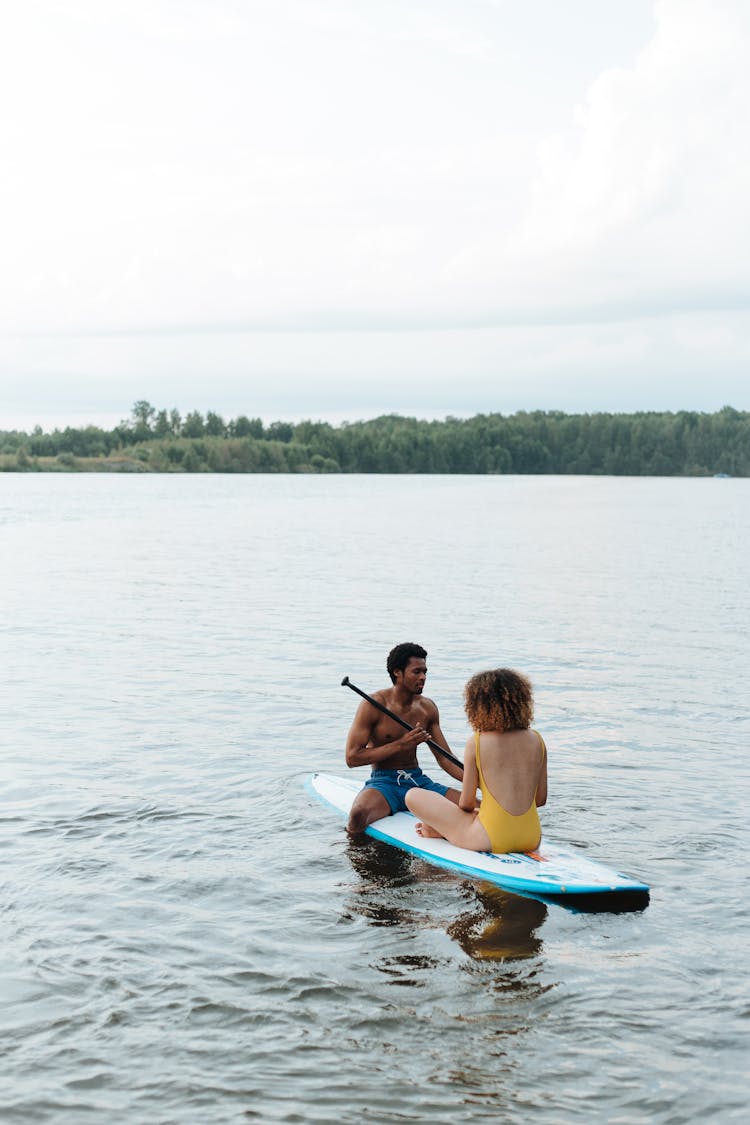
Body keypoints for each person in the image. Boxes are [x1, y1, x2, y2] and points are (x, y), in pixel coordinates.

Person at [405, 668, 547, 854]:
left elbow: (466, 804)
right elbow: (540, 800)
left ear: (478, 706)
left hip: (490, 838)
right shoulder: (537, 740)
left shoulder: (478, 742)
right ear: (521, 701)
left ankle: (443, 831)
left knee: (413, 794)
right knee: (480, 815)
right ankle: (447, 829)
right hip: (531, 837)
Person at [345, 643, 463, 835]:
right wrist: (402, 744)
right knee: (357, 816)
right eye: (416, 672)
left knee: (478, 807)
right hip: (385, 784)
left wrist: (479, 783)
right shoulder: (372, 705)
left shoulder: (427, 708)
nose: (423, 677)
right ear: (397, 672)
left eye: (425, 671)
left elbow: (445, 759)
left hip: (418, 781)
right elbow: (352, 757)